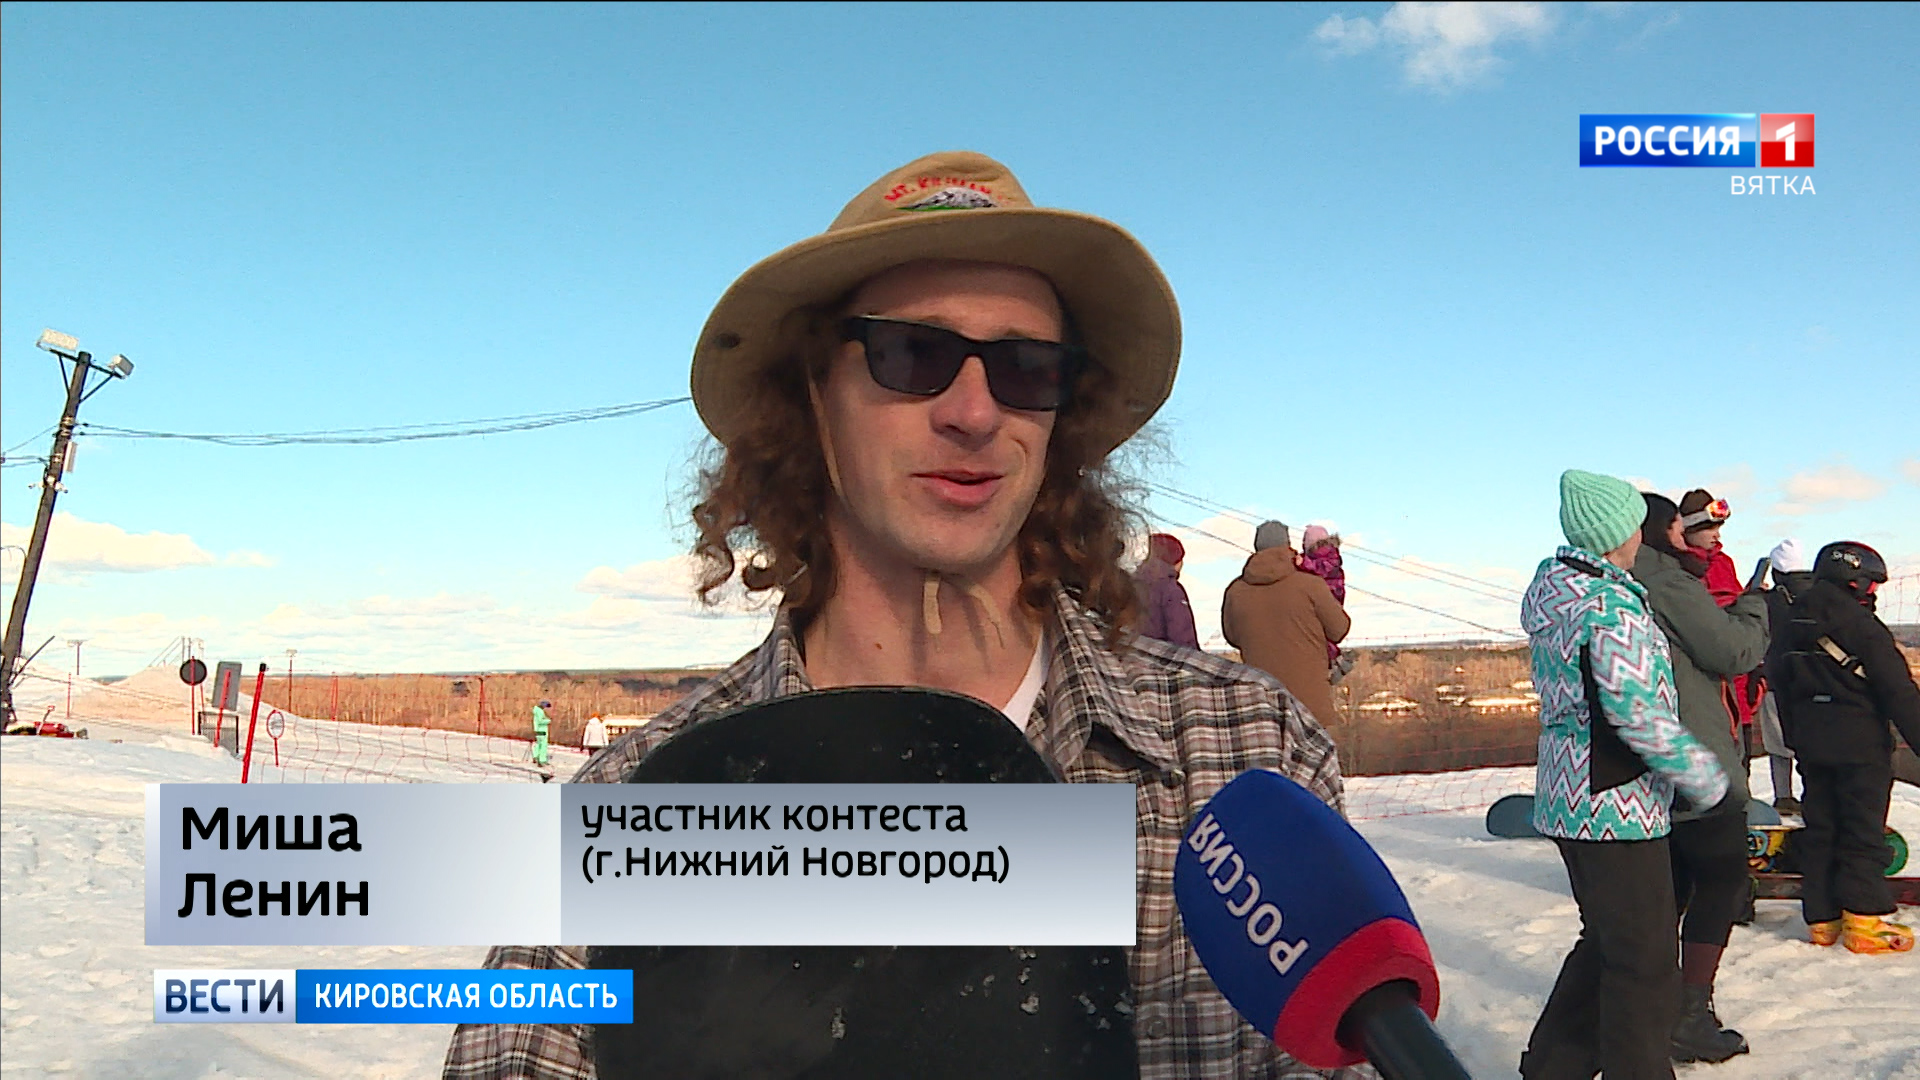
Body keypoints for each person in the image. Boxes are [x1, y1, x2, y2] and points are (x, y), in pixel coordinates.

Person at [444, 150, 1360, 1079]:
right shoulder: (634, 809)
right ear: (814, 394)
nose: (974, 412)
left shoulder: (1245, 756)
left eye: (1027, 367)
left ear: (1061, 417)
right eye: (911, 354)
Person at [1519, 470, 1728, 1080]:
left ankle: (1552, 1068)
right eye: (1636, 524)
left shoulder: (1560, 596)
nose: (1642, 535)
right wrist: (1703, 775)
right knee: (1645, 964)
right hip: (1615, 803)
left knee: (1608, 943)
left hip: (1569, 794)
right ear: (1616, 535)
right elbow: (1637, 713)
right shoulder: (1611, 607)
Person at [1632, 493, 1768, 1064]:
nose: (1706, 537)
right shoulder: (1666, 581)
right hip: (1693, 757)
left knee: (1672, 887)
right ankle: (1687, 1013)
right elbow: (1734, 650)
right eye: (1684, 527)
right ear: (1663, 531)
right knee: (1720, 880)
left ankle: (1653, 1008)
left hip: (1649, 762)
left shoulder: (1623, 582)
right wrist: (1757, 604)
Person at [1769, 540, 1920, 954]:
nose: (1875, 592)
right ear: (1854, 581)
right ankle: (1864, 919)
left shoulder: (1791, 622)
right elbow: (1898, 691)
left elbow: (1779, 682)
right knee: (1861, 830)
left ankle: (1822, 919)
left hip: (1812, 745)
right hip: (1860, 746)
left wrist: (1796, 737)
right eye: (1872, 584)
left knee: (1821, 829)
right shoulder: (1861, 625)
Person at [1222, 520, 1352, 736]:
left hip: (1262, 708)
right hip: (1311, 709)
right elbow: (1339, 629)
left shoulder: (1235, 591)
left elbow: (1232, 636)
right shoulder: (1311, 584)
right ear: (1288, 545)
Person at [1677, 489, 1763, 748]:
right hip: (1706, 692)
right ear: (1688, 529)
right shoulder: (1677, 569)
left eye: (1718, 527)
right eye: (1709, 528)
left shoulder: (1723, 562)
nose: (1717, 535)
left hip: (1738, 689)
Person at [1759, 538, 1813, 815]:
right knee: (1810, 742)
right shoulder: (1819, 596)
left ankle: (1783, 797)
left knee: (1777, 743)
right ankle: (1814, 796)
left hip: (1775, 680)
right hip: (1813, 682)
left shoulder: (1768, 602)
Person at [1294, 523, 1352, 682]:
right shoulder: (1323, 556)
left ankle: (1335, 662)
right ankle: (1336, 662)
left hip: (1331, 594)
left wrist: (1302, 563)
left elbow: (1320, 569)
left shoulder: (1328, 557)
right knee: (1324, 634)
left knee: (1323, 634)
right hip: (1332, 594)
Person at [1133, 532, 1200, 649]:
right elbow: (1182, 639)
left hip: (1131, 656)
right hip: (1161, 658)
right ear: (1176, 561)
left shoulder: (1130, 585)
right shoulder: (1171, 590)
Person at [531, 700, 552, 767]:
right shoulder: (540, 711)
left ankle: (536, 756)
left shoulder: (536, 711)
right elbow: (540, 721)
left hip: (537, 730)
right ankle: (542, 760)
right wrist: (548, 721)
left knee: (538, 744)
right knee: (543, 746)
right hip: (542, 730)